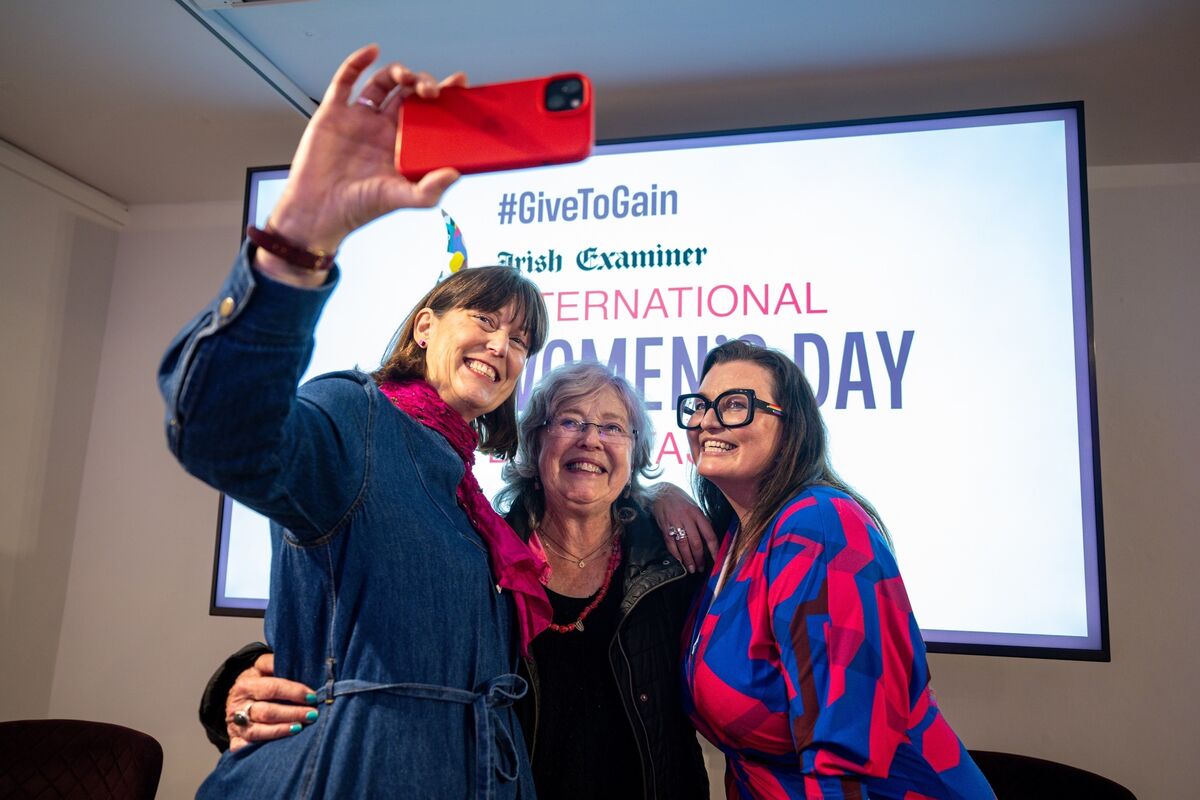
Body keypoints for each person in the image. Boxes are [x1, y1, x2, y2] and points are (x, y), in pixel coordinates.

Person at [160, 45, 556, 798]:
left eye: (523, 340)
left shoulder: (468, 487)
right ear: (424, 329)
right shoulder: (355, 414)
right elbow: (218, 430)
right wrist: (296, 239)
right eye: (486, 320)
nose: (505, 346)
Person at [200, 362, 713, 799]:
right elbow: (360, 617)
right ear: (534, 446)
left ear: (636, 452)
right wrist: (236, 681)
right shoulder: (474, 545)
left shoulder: (673, 556)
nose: (591, 439)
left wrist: (668, 492)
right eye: (570, 421)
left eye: (613, 427)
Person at [677, 339, 994, 799]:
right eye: (701, 406)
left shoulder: (819, 527)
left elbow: (844, 756)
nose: (707, 421)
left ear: (791, 426)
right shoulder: (736, 537)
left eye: (734, 406)